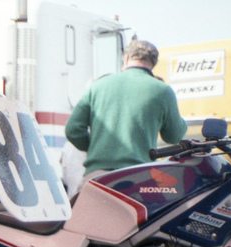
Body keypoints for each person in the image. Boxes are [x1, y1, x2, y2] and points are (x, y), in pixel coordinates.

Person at [65, 39, 188, 178]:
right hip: (139, 177)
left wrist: (96, 149)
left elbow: (73, 130)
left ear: (126, 58)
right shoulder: (163, 90)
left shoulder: (97, 86)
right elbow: (174, 136)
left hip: (97, 177)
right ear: (153, 63)